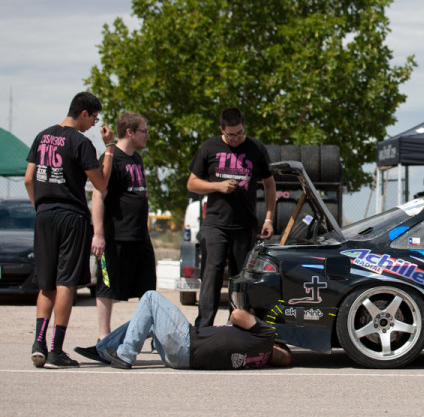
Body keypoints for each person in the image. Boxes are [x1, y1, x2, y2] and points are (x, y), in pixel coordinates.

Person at [24, 91, 115, 368]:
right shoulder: (81, 142)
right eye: (94, 118)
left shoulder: (41, 136)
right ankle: (56, 350)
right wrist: (109, 148)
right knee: (66, 282)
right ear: (84, 113)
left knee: (46, 282)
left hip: (44, 214)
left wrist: (40, 207)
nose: (93, 124)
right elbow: (101, 183)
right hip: (71, 216)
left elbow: (29, 179)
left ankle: (39, 342)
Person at [187, 107, 275, 329]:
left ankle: (237, 327)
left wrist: (268, 219)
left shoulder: (256, 148)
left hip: (244, 225)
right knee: (212, 275)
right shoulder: (209, 147)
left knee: (240, 280)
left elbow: (269, 185)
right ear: (221, 130)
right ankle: (203, 329)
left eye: (239, 133)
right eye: (230, 135)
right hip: (215, 224)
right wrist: (217, 186)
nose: (235, 139)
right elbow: (192, 183)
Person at [73, 290, 291, 369]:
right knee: (149, 320)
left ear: (277, 345)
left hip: (187, 343)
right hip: (181, 361)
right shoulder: (258, 360)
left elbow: (236, 315)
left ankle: (125, 355)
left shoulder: (267, 335)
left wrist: (252, 316)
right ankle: (104, 350)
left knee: (150, 298)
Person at [90, 112, 156, 340]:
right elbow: (98, 195)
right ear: (130, 132)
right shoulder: (111, 157)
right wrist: (98, 234)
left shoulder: (136, 158)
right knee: (107, 286)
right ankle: (104, 337)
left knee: (147, 287)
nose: (147, 135)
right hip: (116, 235)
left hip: (140, 234)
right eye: (144, 131)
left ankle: (145, 334)